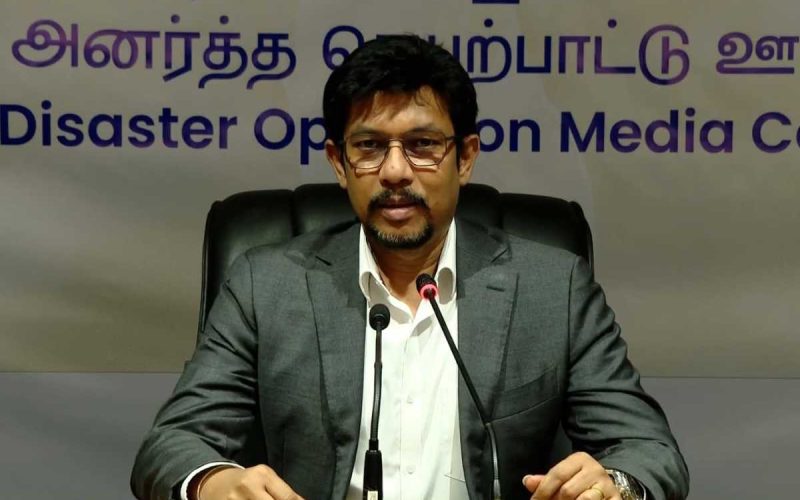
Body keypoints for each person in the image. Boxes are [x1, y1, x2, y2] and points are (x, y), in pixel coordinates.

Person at [131, 35, 689, 500]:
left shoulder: (553, 287)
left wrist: (614, 486)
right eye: (369, 147)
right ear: (339, 163)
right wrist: (213, 482)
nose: (396, 171)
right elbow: (171, 444)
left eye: (422, 145)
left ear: (465, 157)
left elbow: (650, 451)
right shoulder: (265, 284)